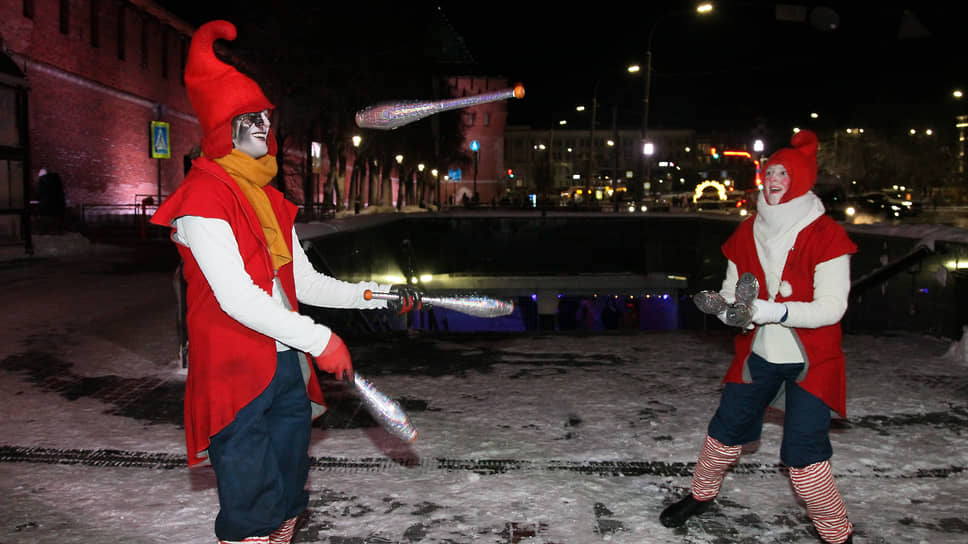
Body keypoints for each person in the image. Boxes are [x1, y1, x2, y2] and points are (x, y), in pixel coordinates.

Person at [151, 20, 421, 544]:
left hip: (285, 367)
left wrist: (377, 295)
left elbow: (307, 283)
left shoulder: (268, 199)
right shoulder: (202, 201)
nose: (263, 130)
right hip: (235, 372)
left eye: (265, 119)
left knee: (288, 491)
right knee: (251, 505)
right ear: (220, 129)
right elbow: (237, 299)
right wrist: (323, 340)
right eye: (248, 119)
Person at [659, 129, 857, 544]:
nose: (774, 178)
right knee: (722, 432)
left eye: (784, 172)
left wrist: (770, 310)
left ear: (802, 178)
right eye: (770, 171)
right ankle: (701, 495)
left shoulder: (826, 235)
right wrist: (733, 310)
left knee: (803, 460)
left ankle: (837, 533)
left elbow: (832, 308)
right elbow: (736, 291)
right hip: (759, 355)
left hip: (812, 361)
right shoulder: (747, 231)